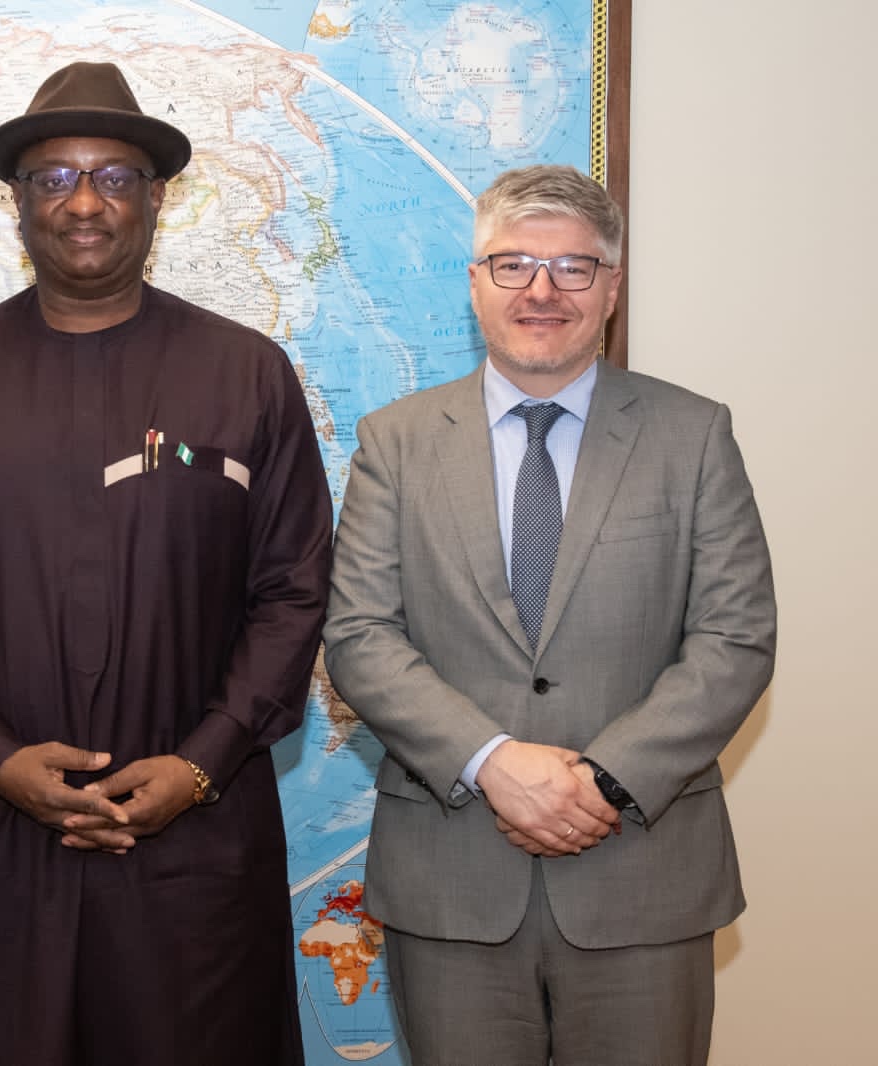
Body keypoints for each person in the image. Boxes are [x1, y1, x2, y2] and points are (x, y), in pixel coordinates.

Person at [0, 62, 331, 1065]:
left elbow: (291, 591)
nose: (82, 203)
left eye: (113, 177)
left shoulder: (247, 374)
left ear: (156, 199)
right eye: (53, 177)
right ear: (16, 203)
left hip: (196, 838)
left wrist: (199, 764)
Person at [323, 164, 776, 1064]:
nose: (541, 290)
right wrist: (494, 764)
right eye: (513, 264)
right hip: (450, 884)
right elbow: (361, 635)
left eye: (573, 268)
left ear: (611, 288)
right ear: (475, 283)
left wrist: (601, 779)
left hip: (643, 880)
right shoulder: (396, 441)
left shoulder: (693, 435)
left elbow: (734, 639)